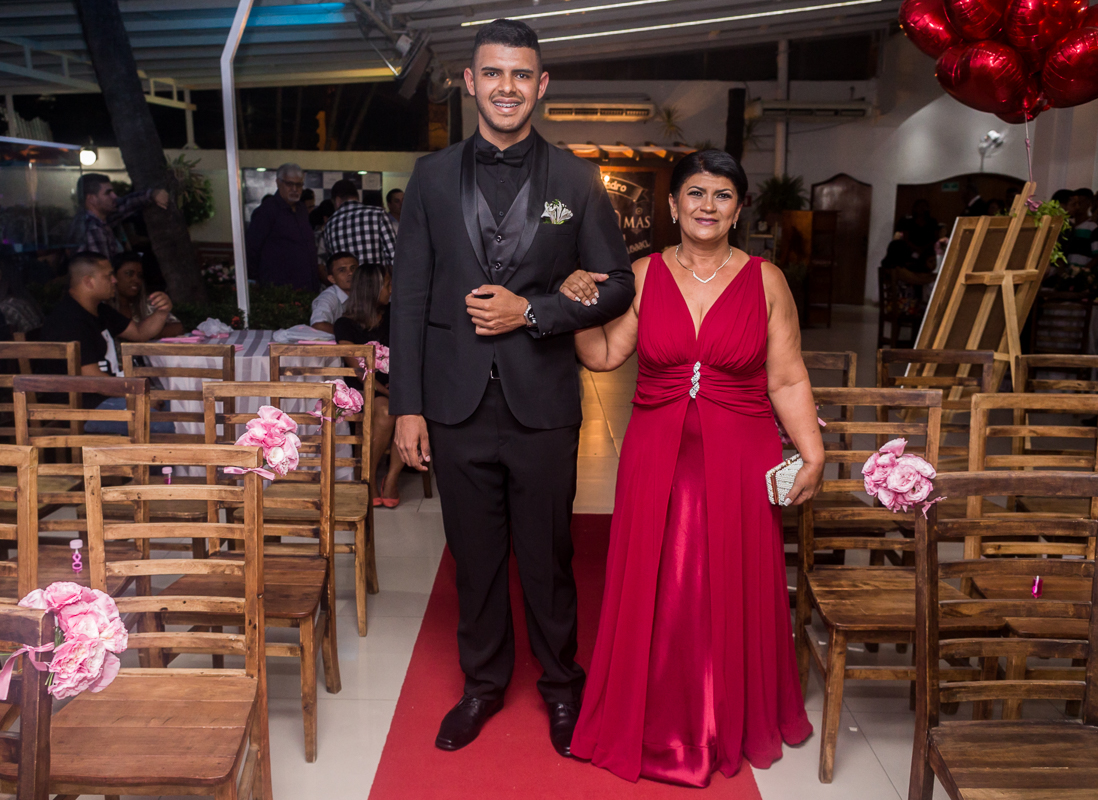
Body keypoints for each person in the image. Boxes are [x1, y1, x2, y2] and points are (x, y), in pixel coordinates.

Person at [389, 18, 635, 758]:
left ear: (541, 85)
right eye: (493, 74)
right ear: (469, 83)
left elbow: (618, 285)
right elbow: (408, 297)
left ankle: (562, 687)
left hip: (543, 404)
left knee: (548, 553)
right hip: (456, 401)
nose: (506, 87)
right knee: (474, 553)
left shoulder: (575, 179)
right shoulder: (431, 177)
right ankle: (483, 685)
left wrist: (535, 311)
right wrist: (407, 405)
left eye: (521, 75)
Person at [564, 150, 819, 787]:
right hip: (658, 451)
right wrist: (572, 302)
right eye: (695, 194)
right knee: (658, 577)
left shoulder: (765, 280)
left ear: (739, 209)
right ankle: (650, 714)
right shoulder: (643, 274)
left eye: (723, 195)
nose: (708, 206)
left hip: (741, 452)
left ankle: (726, 714)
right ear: (672, 205)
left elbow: (785, 376)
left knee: (733, 577)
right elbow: (603, 355)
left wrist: (812, 451)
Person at [42, 252, 176, 432]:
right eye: (108, 276)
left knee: (180, 408)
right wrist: (139, 394)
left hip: (106, 397)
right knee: (170, 423)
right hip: (83, 407)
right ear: (89, 281)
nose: (114, 281)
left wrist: (162, 311)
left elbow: (139, 332)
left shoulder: (99, 310)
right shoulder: (69, 320)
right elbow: (94, 380)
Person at [334, 262, 401, 506]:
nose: (391, 290)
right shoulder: (345, 324)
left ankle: (391, 478)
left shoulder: (396, 315)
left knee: (407, 406)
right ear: (372, 289)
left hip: (397, 385)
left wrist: (403, 388)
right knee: (385, 409)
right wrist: (389, 391)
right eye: (387, 285)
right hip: (365, 390)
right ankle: (369, 478)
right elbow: (358, 369)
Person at [245, 163, 318, 291]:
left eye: (299, 185)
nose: (295, 189)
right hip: (280, 289)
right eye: (289, 184)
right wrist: (259, 281)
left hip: (307, 286)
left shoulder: (302, 209)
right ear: (278, 183)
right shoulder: (266, 211)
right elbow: (251, 250)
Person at [69, 173, 170, 256]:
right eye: (108, 193)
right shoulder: (93, 228)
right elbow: (102, 270)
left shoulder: (100, 220)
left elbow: (127, 204)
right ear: (91, 199)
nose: (114, 196)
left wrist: (152, 194)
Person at [110, 252, 185, 338]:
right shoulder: (104, 306)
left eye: (140, 276)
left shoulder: (149, 302)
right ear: (113, 276)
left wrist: (146, 334)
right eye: (129, 273)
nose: (136, 280)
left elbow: (178, 327)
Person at [323, 180, 396, 268]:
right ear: (357, 196)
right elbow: (394, 255)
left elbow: (331, 263)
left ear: (337, 200)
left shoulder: (330, 224)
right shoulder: (378, 214)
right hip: (376, 279)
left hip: (347, 281)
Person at [311, 251, 358, 334]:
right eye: (342, 270)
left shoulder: (364, 292)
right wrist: (349, 335)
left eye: (353, 268)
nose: (350, 273)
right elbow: (318, 325)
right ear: (332, 278)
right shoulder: (327, 298)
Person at [898, 199, 938, 268]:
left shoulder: (932, 222)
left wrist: (924, 248)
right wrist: (916, 248)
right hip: (911, 249)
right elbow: (906, 238)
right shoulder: (908, 222)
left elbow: (935, 237)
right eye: (919, 206)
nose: (921, 209)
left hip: (928, 250)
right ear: (915, 208)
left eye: (924, 206)